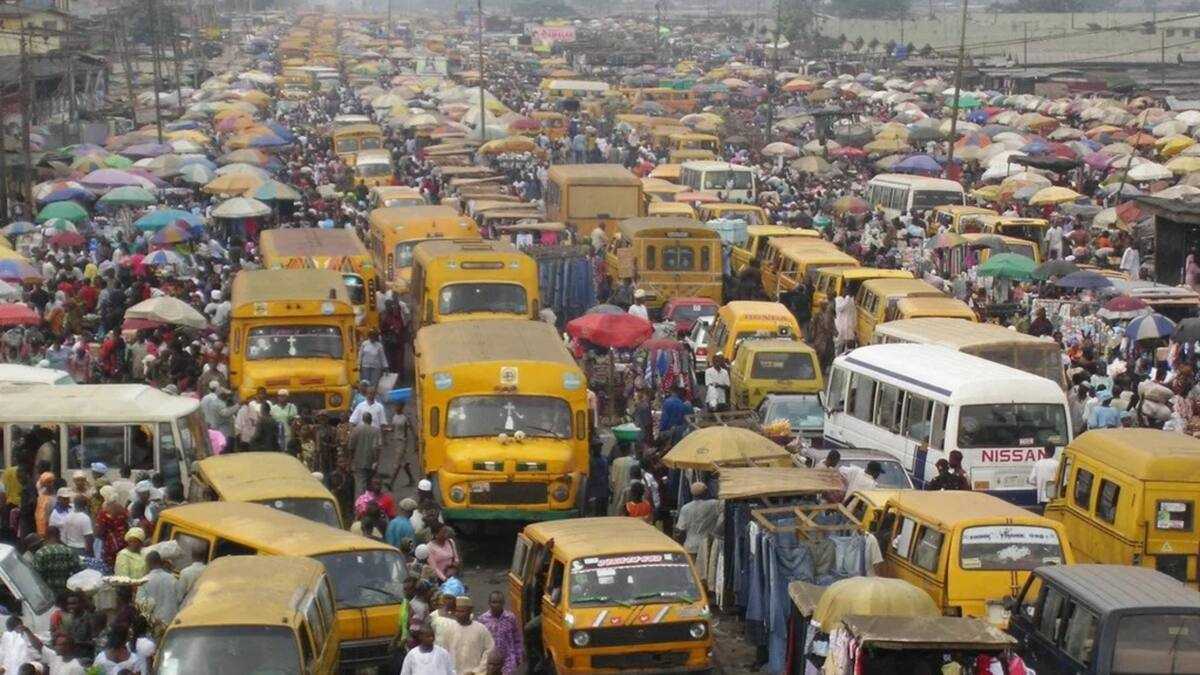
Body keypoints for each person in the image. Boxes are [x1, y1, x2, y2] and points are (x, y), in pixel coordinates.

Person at [438, 595, 494, 675]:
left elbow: (490, 650)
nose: (459, 614)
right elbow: (444, 653)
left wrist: (477, 671)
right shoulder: (449, 629)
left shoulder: (481, 629)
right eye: (457, 611)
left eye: (462, 611)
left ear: (470, 611)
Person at [478, 591, 523, 675]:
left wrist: (518, 657)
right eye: (494, 602)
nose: (496, 605)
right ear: (489, 603)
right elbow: (479, 643)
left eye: (499, 602)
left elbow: (517, 639)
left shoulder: (510, 618)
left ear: (503, 603)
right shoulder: (483, 620)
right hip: (490, 662)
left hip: (508, 662)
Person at [675, 482, 721, 559]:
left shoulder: (685, 508)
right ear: (706, 492)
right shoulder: (714, 504)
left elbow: (680, 530)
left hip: (690, 546)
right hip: (707, 546)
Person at [33, 526, 80, 598]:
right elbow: (78, 571)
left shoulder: (40, 553)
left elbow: (36, 576)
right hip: (66, 594)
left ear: (45, 536)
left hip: (48, 594)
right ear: (59, 536)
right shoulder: (69, 551)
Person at [136, 551, 179, 626]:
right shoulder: (173, 579)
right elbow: (179, 598)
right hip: (172, 622)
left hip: (155, 623)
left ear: (148, 564)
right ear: (160, 562)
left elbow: (141, 603)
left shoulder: (144, 581)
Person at [349, 412, 383, 498]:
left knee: (361, 482)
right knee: (370, 482)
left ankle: (362, 500)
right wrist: (376, 461)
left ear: (363, 420)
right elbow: (377, 447)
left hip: (359, 460)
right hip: (371, 461)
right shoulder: (376, 431)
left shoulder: (356, 430)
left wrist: (351, 460)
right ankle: (370, 500)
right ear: (371, 420)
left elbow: (351, 446)